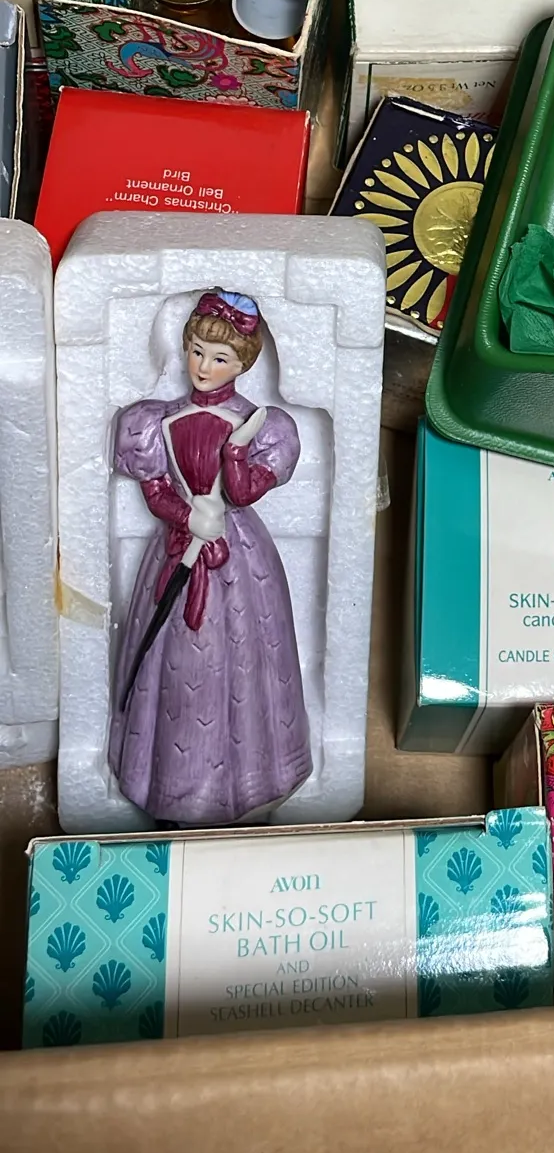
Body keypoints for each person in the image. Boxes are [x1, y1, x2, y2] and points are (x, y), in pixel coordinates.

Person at [109, 289, 311, 825]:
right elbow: (155, 491)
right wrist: (186, 516)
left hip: (238, 554)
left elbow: (242, 493)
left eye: (219, 357)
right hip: (180, 545)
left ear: (243, 364)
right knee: (178, 657)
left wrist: (236, 454)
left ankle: (252, 780)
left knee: (243, 659)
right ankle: (168, 781)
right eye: (197, 351)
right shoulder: (156, 422)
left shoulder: (262, 426)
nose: (204, 366)